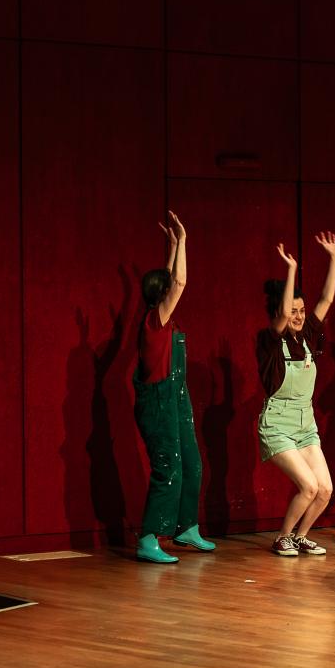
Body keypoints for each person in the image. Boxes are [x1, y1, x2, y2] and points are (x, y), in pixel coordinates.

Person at [133, 211, 215, 564]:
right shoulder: (155, 320)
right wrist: (183, 241)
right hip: (159, 401)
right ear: (161, 296)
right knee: (169, 466)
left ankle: (185, 528)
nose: (174, 292)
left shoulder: (162, 320)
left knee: (192, 464)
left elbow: (170, 280)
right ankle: (149, 537)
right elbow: (177, 283)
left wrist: (170, 247)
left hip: (178, 398)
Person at [257, 233, 335, 556]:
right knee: (308, 487)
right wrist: (291, 270)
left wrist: (334, 258)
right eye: (293, 311)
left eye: (302, 310)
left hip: (306, 424)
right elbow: (280, 318)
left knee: (325, 489)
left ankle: (300, 536)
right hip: (277, 424)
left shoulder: (307, 336)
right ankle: (282, 537)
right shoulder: (270, 341)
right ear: (281, 312)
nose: (299, 315)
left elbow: (327, 299)